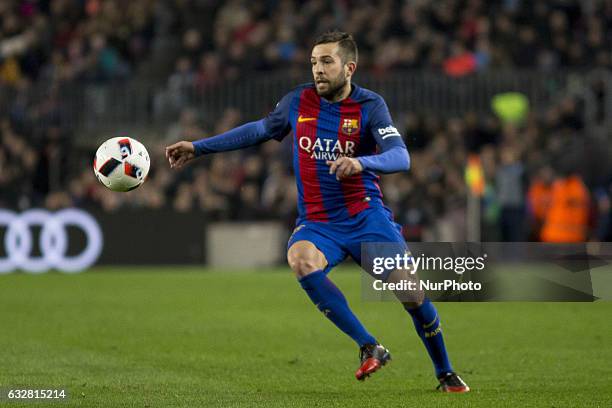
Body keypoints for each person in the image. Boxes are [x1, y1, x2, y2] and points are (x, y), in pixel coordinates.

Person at [166, 31, 469, 392]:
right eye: (313, 62)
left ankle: (445, 372)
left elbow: (400, 156)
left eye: (326, 62)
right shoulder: (299, 101)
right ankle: (369, 345)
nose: (318, 70)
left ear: (349, 67)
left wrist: (361, 163)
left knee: (410, 292)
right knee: (300, 259)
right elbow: (259, 130)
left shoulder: (371, 106)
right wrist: (199, 148)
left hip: (365, 217)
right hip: (319, 223)